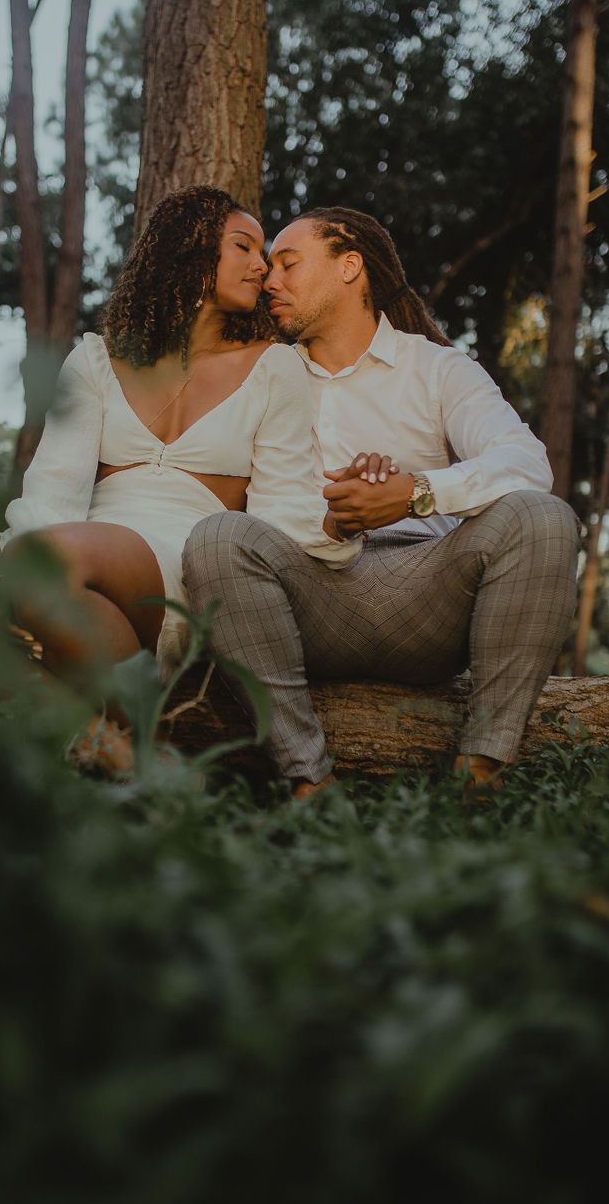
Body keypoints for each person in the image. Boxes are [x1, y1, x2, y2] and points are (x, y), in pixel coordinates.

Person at [181, 206, 581, 798]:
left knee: (544, 517)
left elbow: (526, 463)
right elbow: (245, 505)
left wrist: (415, 494)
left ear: (350, 267)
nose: (270, 280)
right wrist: (336, 521)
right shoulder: (262, 375)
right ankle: (308, 779)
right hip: (310, 598)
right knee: (217, 537)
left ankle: (481, 772)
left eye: (289, 264)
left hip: (430, 599)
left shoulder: (439, 369)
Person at [0, 186, 360, 693]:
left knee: (46, 564)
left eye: (268, 256)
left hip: (176, 563)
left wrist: (337, 524)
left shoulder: (274, 367)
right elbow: (55, 488)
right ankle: (111, 731)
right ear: (190, 246)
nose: (263, 269)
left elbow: (279, 508)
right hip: (80, 549)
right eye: (244, 247)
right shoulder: (97, 361)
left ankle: (119, 725)